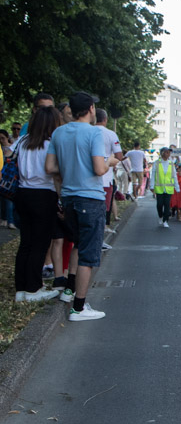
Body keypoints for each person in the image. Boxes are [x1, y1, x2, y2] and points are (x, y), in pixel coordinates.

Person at [44, 92, 110, 321]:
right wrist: (109, 162)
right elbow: (99, 169)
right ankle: (79, 308)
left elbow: (50, 167)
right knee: (88, 255)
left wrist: (71, 166)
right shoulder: (94, 133)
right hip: (90, 198)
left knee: (78, 245)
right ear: (91, 109)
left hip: (69, 198)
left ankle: (69, 291)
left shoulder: (59, 132)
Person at [12, 106, 61, 302]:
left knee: (26, 242)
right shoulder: (50, 144)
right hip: (44, 194)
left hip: (23, 193)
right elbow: (54, 171)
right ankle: (33, 289)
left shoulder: (23, 141)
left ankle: (21, 288)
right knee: (40, 244)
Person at [94, 109, 123, 233]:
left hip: (87, 179)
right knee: (105, 206)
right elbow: (119, 156)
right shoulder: (111, 134)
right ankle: (103, 229)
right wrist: (110, 160)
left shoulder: (86, 132)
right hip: (105, 177)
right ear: (105, 120)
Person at [150, 147, 179, 227]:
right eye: (166, 152)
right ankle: (160, 215)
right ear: (162, 153)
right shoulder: (156, 163)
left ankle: (165, 220)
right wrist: (152, 186)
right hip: (159, 187)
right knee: (159, 204)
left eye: (169, 152)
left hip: (169, 188)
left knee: (167, 205)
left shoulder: (171, 164)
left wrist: (177, 187)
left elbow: (174, 176)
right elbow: (153, 175)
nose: (168, 154)